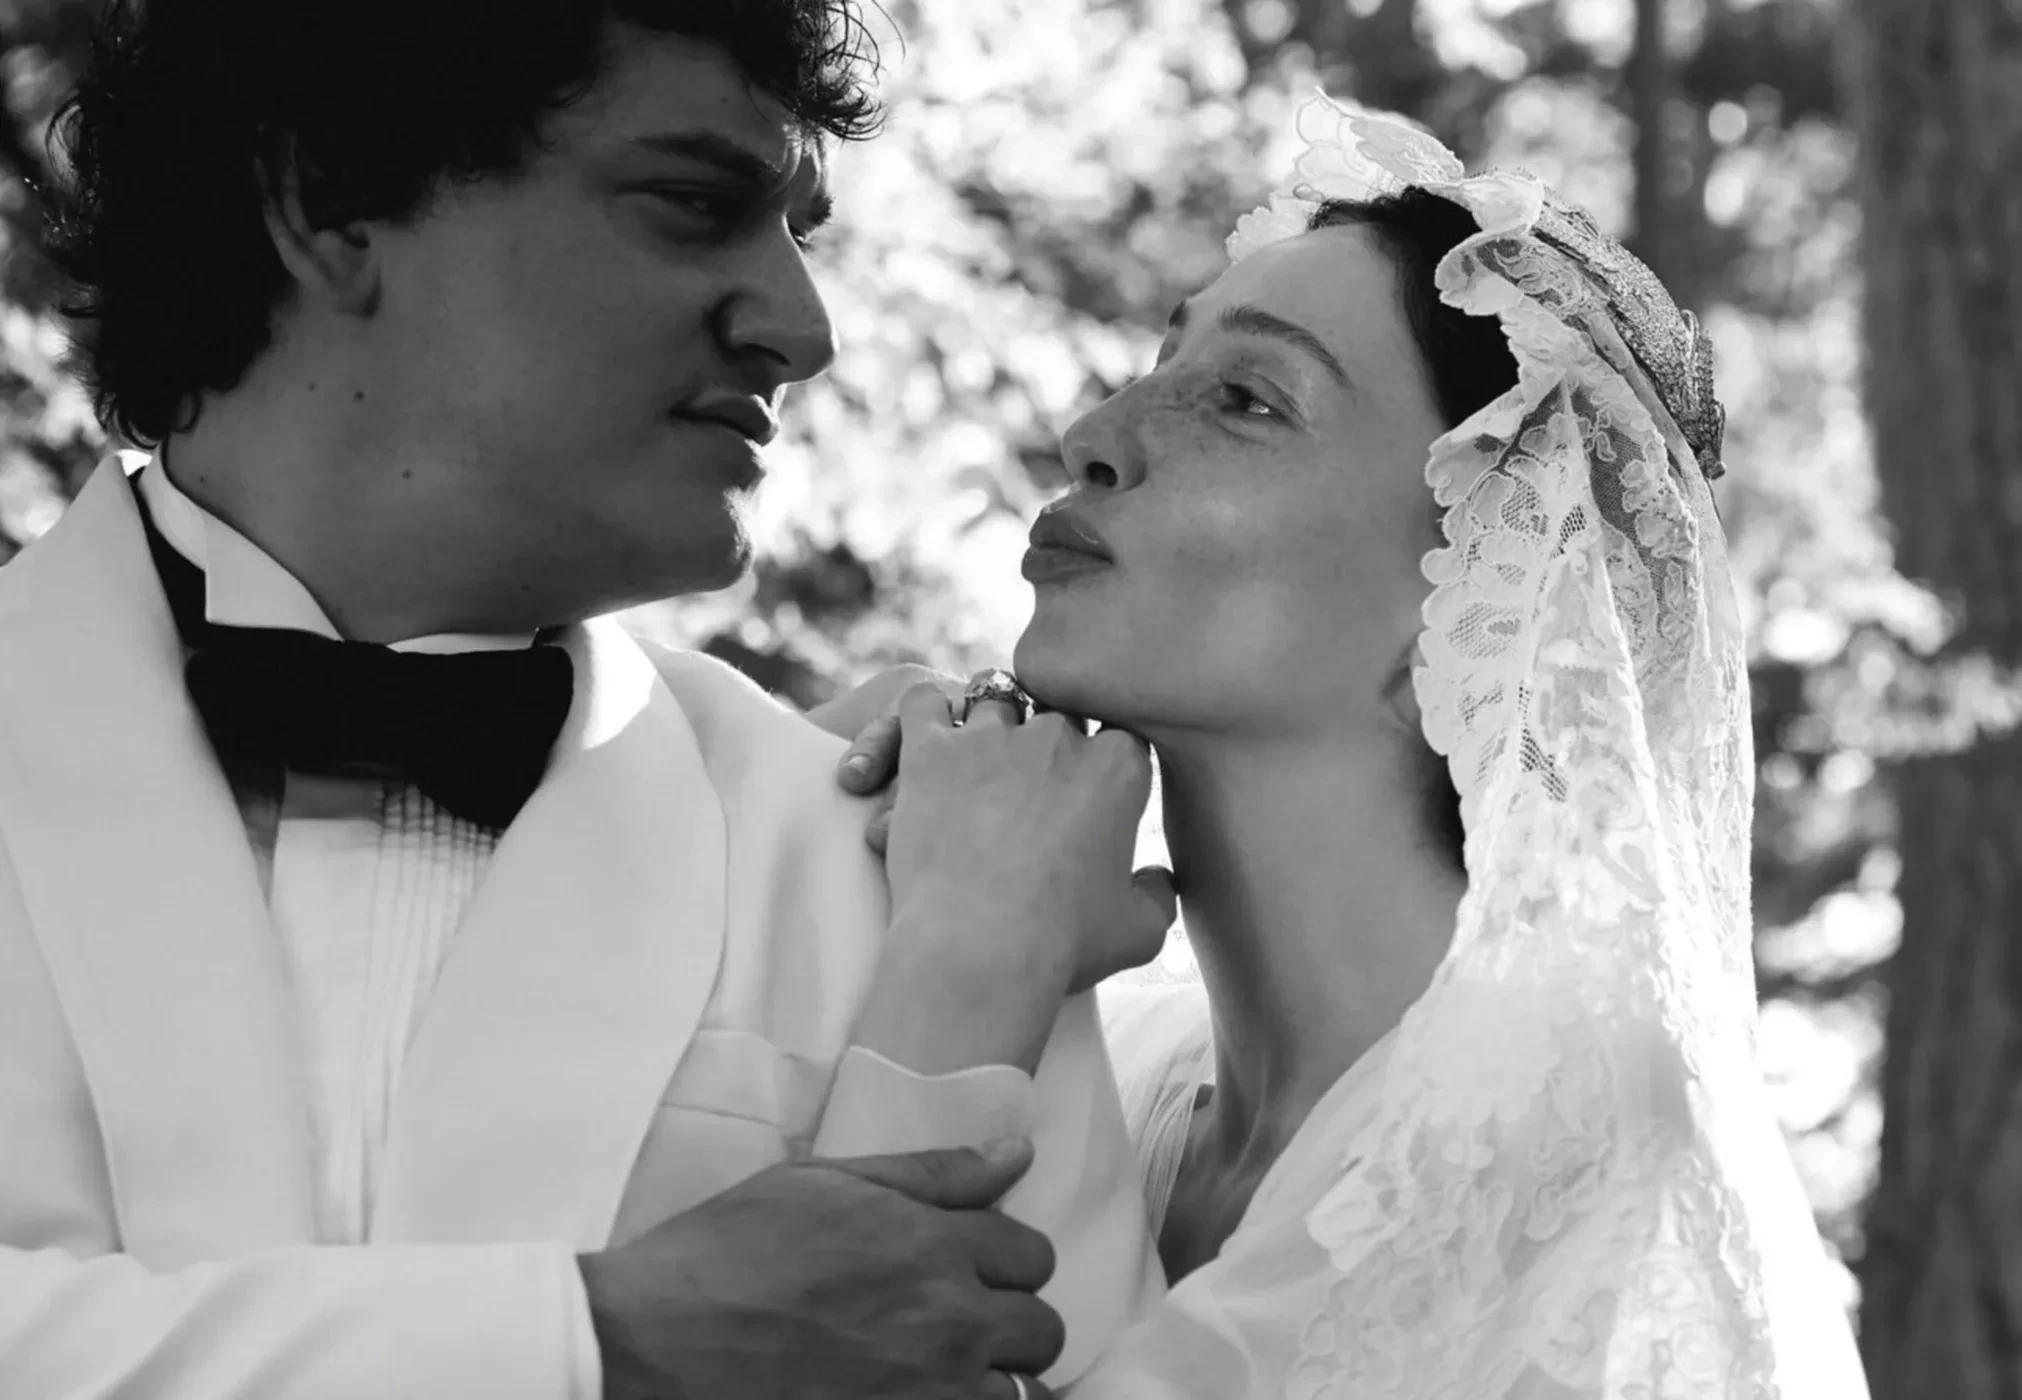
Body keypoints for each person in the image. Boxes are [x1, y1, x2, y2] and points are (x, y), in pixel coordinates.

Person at [0, 3, 1171, 1397]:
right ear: (329, 203)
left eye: (801, 236)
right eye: (693, 204)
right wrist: (597, 1341)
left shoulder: (886, 865)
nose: (801, 331)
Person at [830, 95, 1874, 1397]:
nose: (1094, 433)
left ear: (1484, 600)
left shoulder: (1561, 1135)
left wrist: (968, 951)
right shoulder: (1117, 1057)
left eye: (1244, 400)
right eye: (1155, 362)